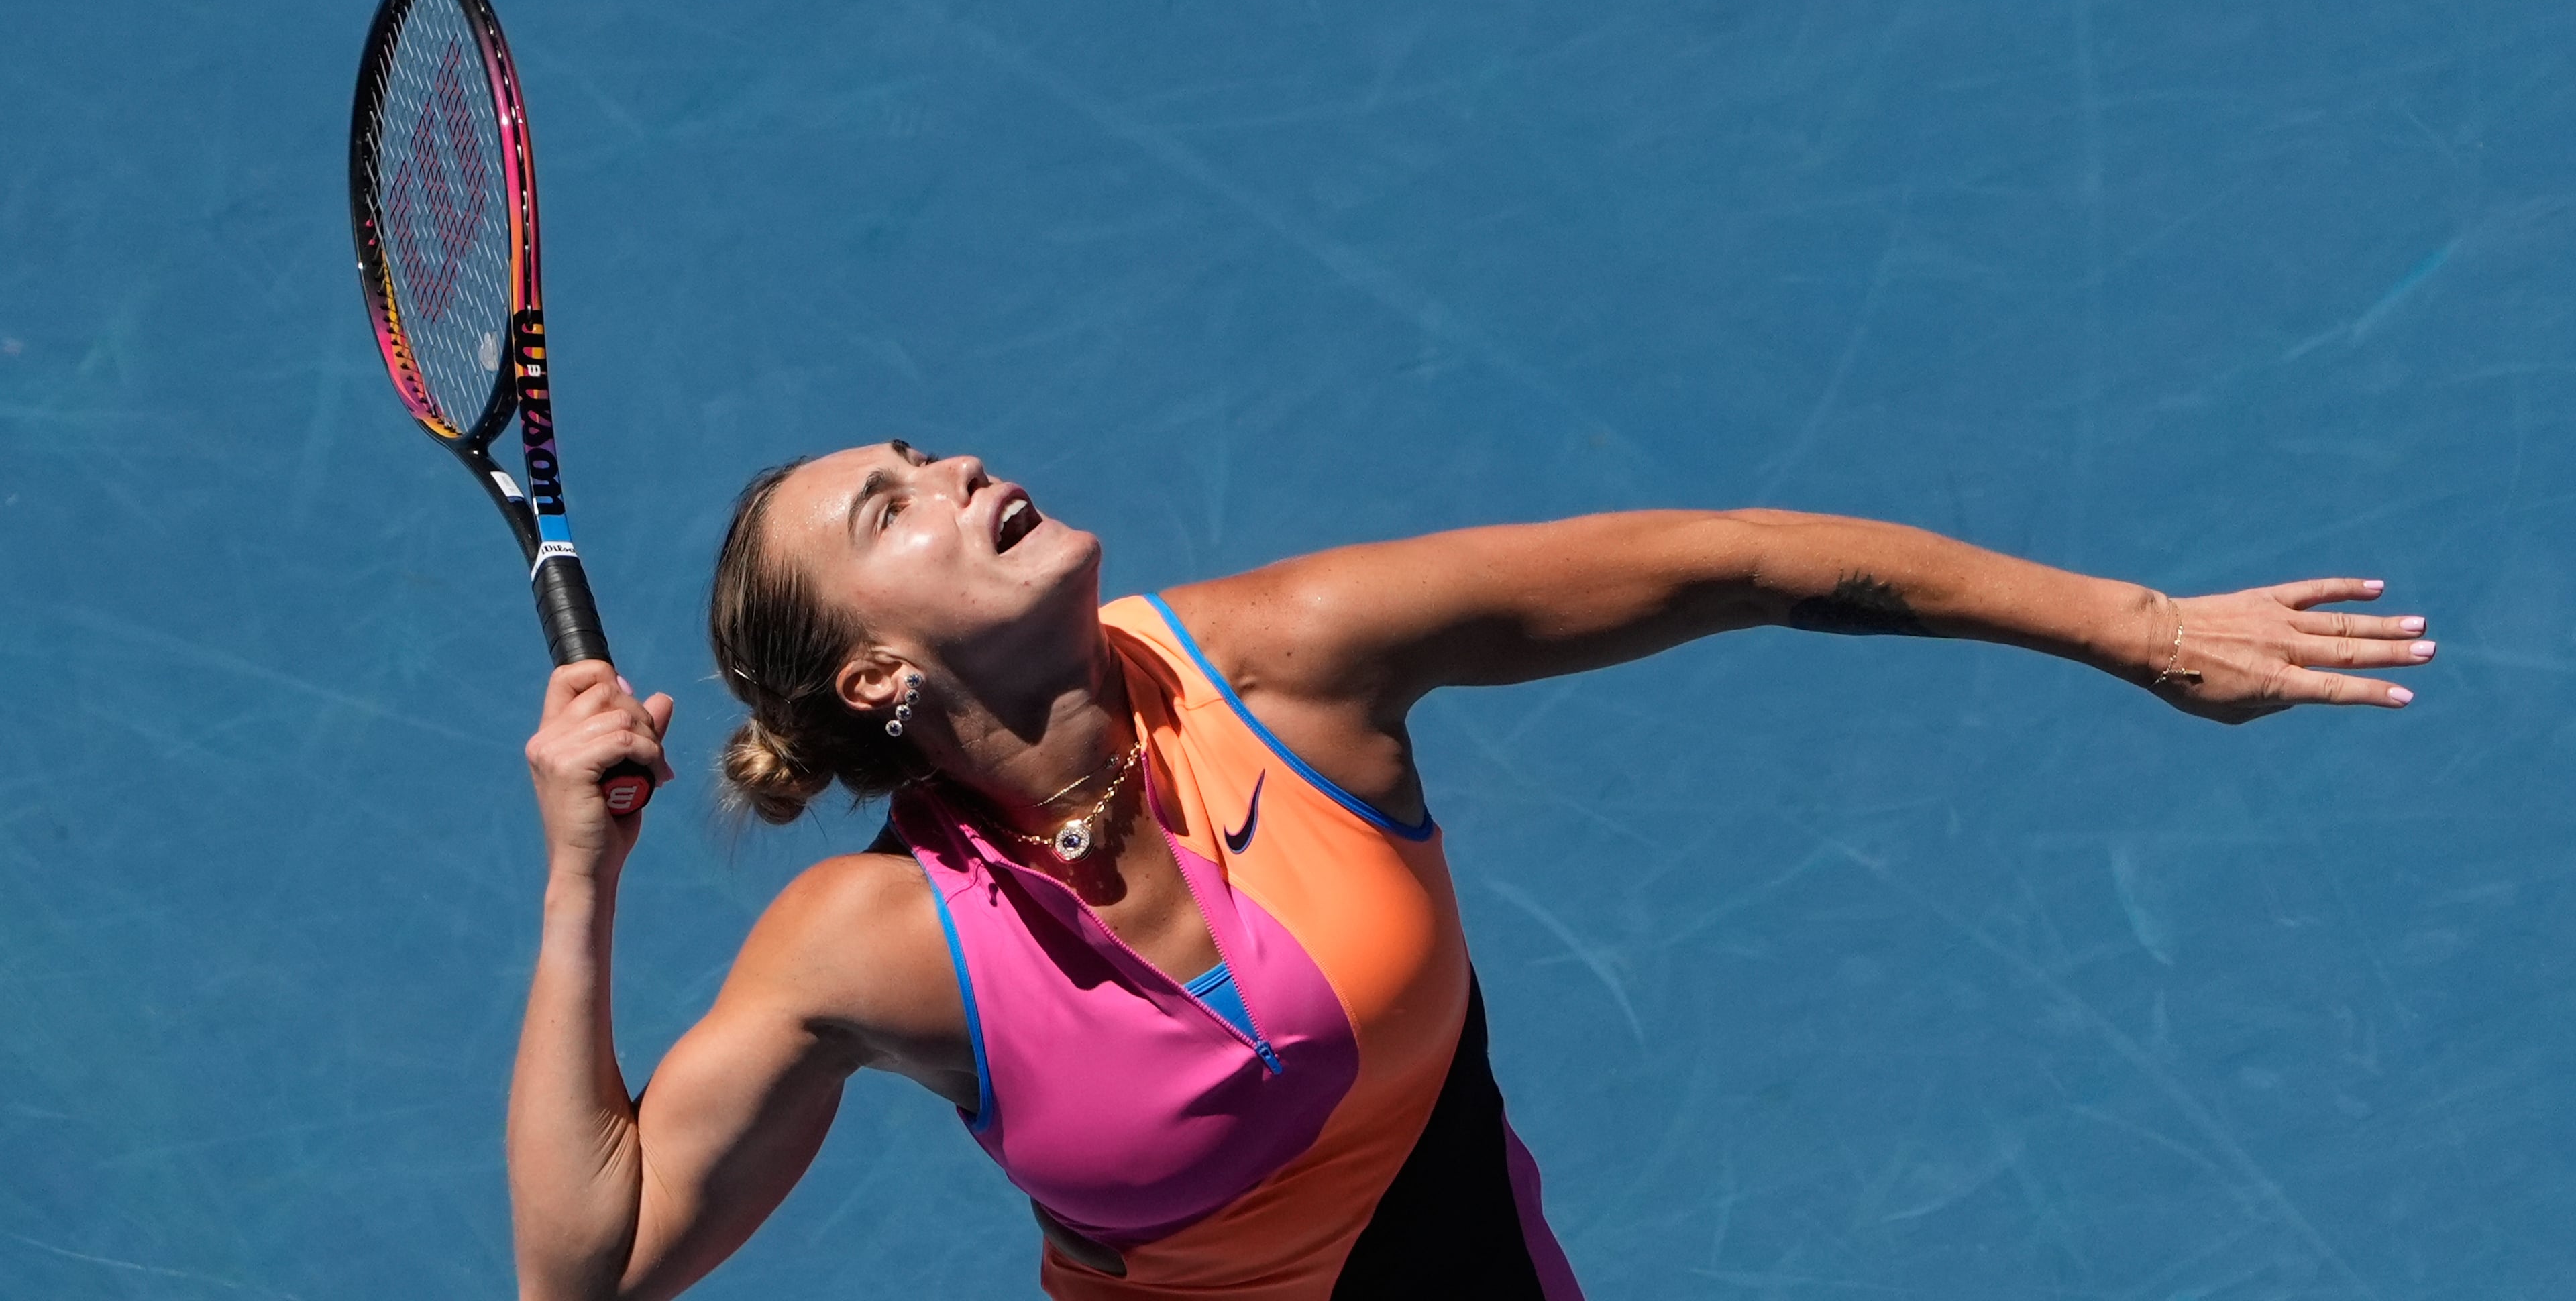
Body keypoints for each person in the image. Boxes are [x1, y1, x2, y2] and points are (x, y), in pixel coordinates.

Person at [505, 439, 2433, 1301]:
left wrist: (2139, 621)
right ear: (879, 676)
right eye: (889, 507)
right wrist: (582, 874)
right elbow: (585, 1267)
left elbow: (1735, 553)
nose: (955, 473)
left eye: (926, 449)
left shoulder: (1292, 660)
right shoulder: (876, 944)